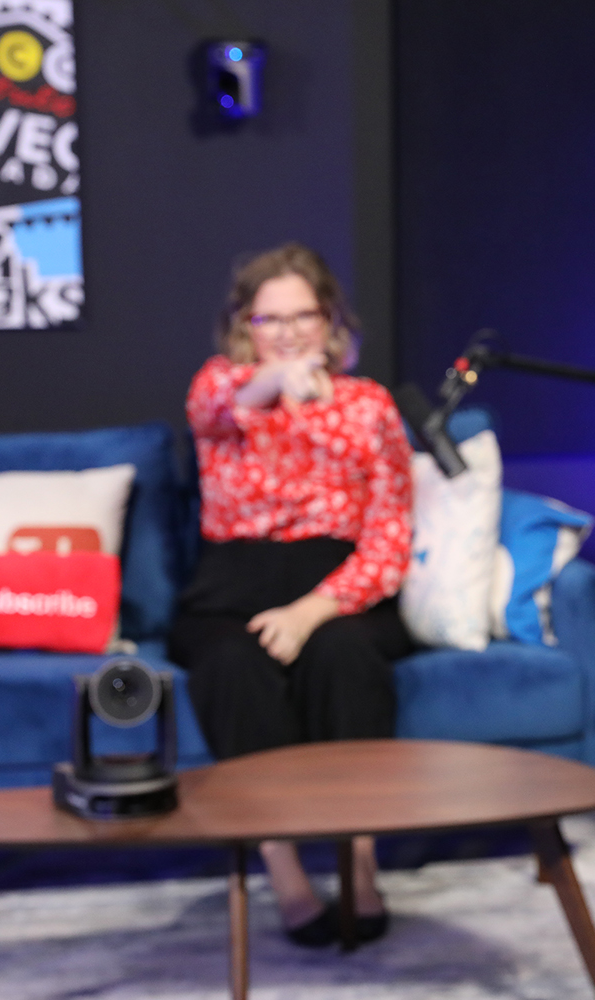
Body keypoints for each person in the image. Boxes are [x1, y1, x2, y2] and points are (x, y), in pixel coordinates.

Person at [169, 243, 414, 948]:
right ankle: (285, 872)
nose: (287, 330)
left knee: (346, 659)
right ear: (245, 326)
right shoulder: (220, 387)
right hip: (229, 590)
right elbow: (222, 405)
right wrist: (275, 380)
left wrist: (311, 611)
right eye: (269, 319)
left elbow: (390, 536)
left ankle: (360, 862)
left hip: (337, 590)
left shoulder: (369, 405)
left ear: (330, 319)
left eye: (302, 316)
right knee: (232, 665)